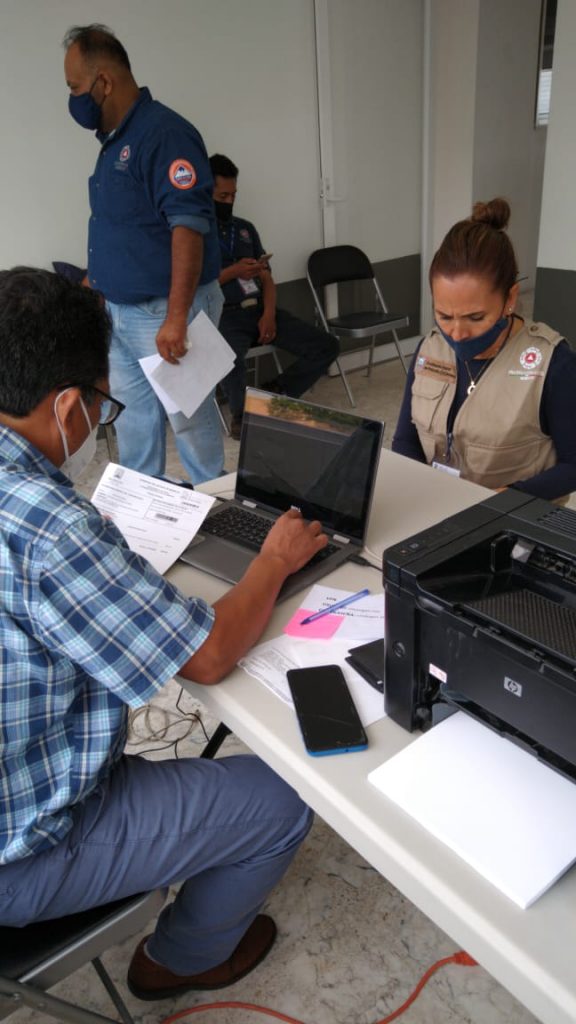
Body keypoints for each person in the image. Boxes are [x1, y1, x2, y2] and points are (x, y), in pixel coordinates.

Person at [0, 268, 327, 999]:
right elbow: (208, 657)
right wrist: (272, 562)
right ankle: (177, 961)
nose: (96, 423)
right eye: (99, 404)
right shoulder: (49, 528)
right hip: (19, 853)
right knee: (282, 802)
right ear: (64, 407)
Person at [63, 24, 225, 484]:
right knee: (134, 423)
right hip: (119, 312)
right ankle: (145, 521)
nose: (73, 98)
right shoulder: (115, 141)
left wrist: (176, 317)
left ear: (104, 82)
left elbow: (189, 227)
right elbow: (126, 226)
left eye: (76, 86)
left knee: (189, 421)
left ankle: (218, 507)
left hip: (164, 311)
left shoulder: (165, 135)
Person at [392, 198, 576, 501]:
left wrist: (499, 501)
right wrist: (422, 494)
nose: (457, 333)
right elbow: (406, 440)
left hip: (512, 522)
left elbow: (572, 465)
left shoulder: (553, 364)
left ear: (510, 298)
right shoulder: (430, 349)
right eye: (444, 315)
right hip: (436, 509)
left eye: (476, 318)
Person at [210, 154, 339, 439]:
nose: (229, 201)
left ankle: (275, 392)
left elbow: (267, 277)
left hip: (259, 309)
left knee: (326, 345)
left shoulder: (245, 228)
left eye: (233, 195)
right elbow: (195, 287)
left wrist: (268, 314)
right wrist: (232, 272)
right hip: (224, 314)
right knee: (230, 357)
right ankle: (242, 417)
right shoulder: (196, 234)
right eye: (222, 195)